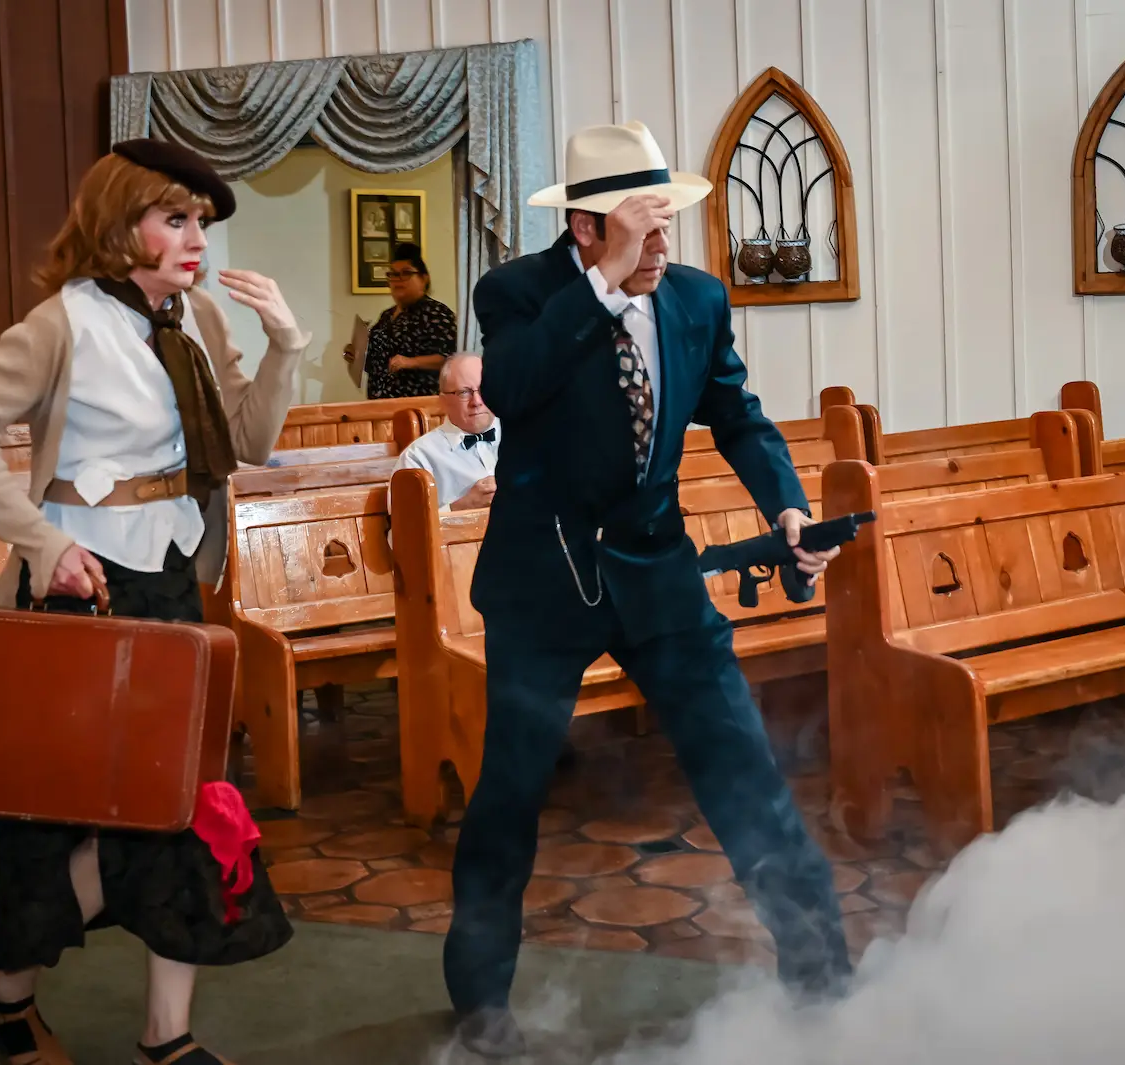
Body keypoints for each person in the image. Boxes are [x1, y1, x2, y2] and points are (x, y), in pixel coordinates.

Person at [443, 121, 852, 1058]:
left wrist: (788, 507)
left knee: (743, 768)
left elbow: (738, 417)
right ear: (586, 229)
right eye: (644, 227)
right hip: (544, 581)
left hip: (659, 571)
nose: (665, 244)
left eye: (669, 223)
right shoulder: (518, 293)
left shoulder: (697, 299)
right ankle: (480, 1000)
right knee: (510, 791)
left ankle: (824, 979)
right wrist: (599, 289)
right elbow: (512, 385)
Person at [0, 138, 308, 1065]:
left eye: (201, 222)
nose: (197, 240)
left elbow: (249, 440)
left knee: (182, 797)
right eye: (175, 219)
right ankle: (4, 997)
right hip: (83, 586)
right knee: (58, 814)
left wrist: (286, 345)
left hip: (170, 577)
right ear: (117, 223)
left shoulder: (196, 316)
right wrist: (42, 543)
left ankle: (165, 1037)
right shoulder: (59, 324)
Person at [343, 242, 457, 399]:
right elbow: (378, 362)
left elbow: (450, 359)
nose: (398, 279)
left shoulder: (437, 313)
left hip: (418, 404)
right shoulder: (386, 316)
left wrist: (411, 362)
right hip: (380, 403)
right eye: (393, 274)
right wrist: (355, 356)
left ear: (423, 279)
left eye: (406, 273)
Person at [392, 352, 498, 512]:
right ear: (443, 401)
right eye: (464, 392)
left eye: (483, 389)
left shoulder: (525, 437)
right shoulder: (418, 457)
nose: (476, 402)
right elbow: (404, 524)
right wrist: (464, 505)